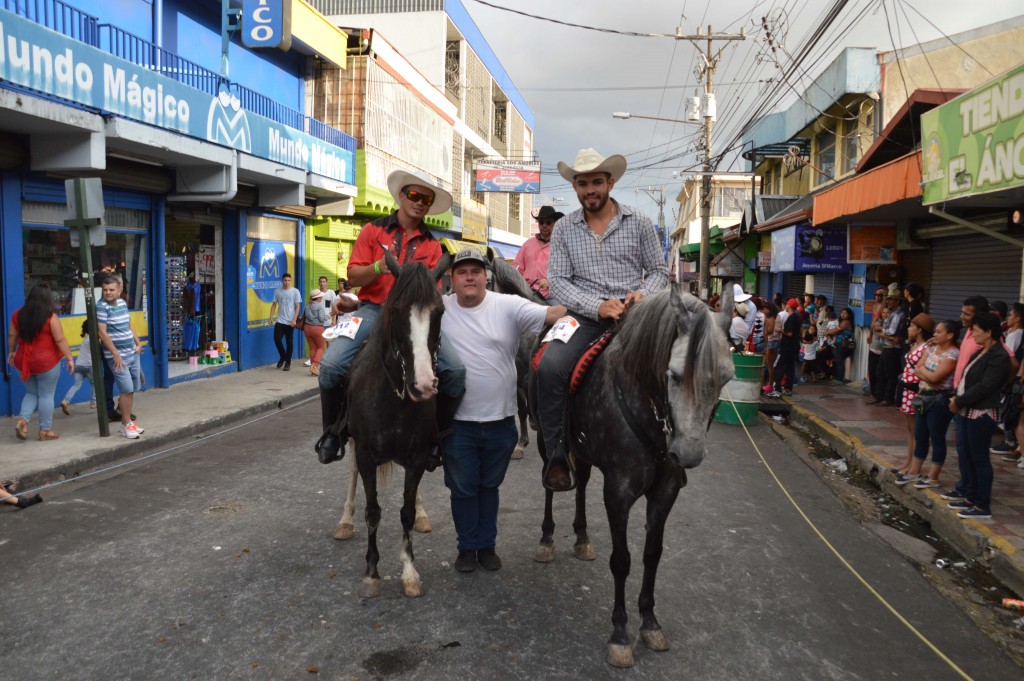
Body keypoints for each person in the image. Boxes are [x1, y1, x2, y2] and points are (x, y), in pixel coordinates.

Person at [538, 148, 668, 491]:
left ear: (611, 182)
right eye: (583, 183)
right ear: (575, 187)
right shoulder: (564, 228)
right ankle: (556, 456)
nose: (590, 189)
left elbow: (659, 272)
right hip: (583, 318)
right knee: (548, 367)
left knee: (677, 365)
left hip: (636, 318)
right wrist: (597, 306)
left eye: (597, 181)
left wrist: (643, 294)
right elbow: (560, 282)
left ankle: (674, 451)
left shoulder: (639, 221)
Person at [316, 169, 466, 467]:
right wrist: (377, 268)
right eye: (413, 195)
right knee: (331, 367)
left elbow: (433, 294)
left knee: (455, 371)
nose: (419, 202)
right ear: (400, 196)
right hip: (374, 310)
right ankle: (333, 433)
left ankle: (437, 435)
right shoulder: (373, 231)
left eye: (426, 198)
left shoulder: (433, 246)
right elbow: (353, 275)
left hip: (414, 316)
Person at [440, 249, 566, 572]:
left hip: (500, 422)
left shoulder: (507, 306)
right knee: (463, 488)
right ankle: (467, 547)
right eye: (463, 272)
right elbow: (401, 310)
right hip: (457, 424)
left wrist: (599, 306)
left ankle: (487, 545)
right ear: (452, 278)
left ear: (487, 276)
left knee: (488, 487)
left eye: (476, 271)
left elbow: (552, 314)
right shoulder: (438, 309)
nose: (470, 277)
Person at [945, 313, 1012, 520]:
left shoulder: (999, 357)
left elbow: (986, 386)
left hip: (981, 413)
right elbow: (966, 379)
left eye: (976, 331)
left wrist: (959, 401)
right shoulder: (981, 353)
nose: (972, 335)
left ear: (989, 332)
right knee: (966, 454)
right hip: (966, 411)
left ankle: (982, 505)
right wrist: (957, 398)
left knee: (979, 458)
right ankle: (970, 496)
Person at [7, 284, 75, 440]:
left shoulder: (18, 315)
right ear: (47, 299)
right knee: (46, 395)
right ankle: (45, 430)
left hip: (23, 361)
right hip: (46, 363)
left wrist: (11, 351)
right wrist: (69, 358)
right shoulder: (51, 317)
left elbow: (12, 335)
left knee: (32, 393)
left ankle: (23, 420)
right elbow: (59, 339)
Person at [904, 319, 961, 489]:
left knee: (937, 437)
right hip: (924, 395)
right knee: (920, 434)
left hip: (939, 400)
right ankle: (914, 471)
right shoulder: (931, 348)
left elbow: (936, 377)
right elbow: (918, 368)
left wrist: (926, 374)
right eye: (935, 331)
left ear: (950, 335)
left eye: (938, 332)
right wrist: (928, 375)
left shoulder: (953, 355)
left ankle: (933, 476)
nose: (934, 334)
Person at [96, 275, 145, 439]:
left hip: (132, 353)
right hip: (118, 358)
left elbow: (129, 324)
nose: (108, 293)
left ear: (119, 289)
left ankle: (127, 424)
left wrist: (138, 344)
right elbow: (102, 332)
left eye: (111, 290)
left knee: (132, 390)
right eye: (105, 290)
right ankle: (125, 424)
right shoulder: (102, 307)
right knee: (126, 390)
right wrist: (115, 354)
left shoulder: (123, 303)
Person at [893, 313, 934, 484]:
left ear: (919, 329)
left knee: (917, 431)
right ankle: (908, 461)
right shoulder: (914, 345)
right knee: (910, 430)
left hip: (916, 392)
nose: (908, 328)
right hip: (906, 390)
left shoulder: (926, 348)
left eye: (911, 326)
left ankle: (914, 465)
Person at [994, 302, 1024, 463]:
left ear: (1018, 318)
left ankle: (1012, 444)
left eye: (1011, 315)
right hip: (1014, 380)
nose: (1008, 318)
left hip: (1012, 381)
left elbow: (1009, 359)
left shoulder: (1015, 335)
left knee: (1009, 414)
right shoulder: (1014, 333)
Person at [514, 205, 563, 299]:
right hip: (526, 293)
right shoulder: (528, 244)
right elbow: (517, 269)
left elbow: (567, 274)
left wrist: (550, 282)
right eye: (541, 222)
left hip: (550, 296)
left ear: (555, 223)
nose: (544, 225)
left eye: (548, 222)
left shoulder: (561, 246)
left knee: (562, 312)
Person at [870, 288, 906, 406]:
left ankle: (887, 398)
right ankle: (879, 396)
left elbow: (891, 331)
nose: (888, 302)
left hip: (892, 349)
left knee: (890, 374)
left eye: (891, 300)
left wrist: (882, 331)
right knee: (880, 372)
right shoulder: (893, 313)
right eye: (888, 299)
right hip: (886, 347)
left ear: (897, 301)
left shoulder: (898, 314)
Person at [60, 320, 96, 414]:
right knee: (94, 383)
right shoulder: (93, 338)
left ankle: (65, 401)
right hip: (89, 365)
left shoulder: (86, 338)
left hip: (78, 365)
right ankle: (93, 402)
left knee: (76, 385)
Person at [268, 273, 301, 371]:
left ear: (291, 281)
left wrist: (294, 319)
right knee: (277, 339)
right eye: (285, 280)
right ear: (282, 281)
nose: (287, 282)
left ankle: (287, 363)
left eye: (288, 280)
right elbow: (274, 305)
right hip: (280, 320)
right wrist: (270, 317)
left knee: (289, 342)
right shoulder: (278, 291)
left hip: (290, 321)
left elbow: (297, 306)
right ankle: (283, 356)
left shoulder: (295, 291)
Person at [770, 298, 801, 398]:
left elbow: (790, 333)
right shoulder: (797, 317)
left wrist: (780, 330)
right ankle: (788, 389)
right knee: (790, 368)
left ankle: (777, 389)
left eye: (787, 304)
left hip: (787, 347)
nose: (785, 306)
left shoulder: (792, 318)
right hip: (794, 347)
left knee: (779, 366)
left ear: (790, 306)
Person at [302, 290, 329, 376]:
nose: (321, 298)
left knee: (312, 348)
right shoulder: (320, 306)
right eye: (320, 297)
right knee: (321, 347)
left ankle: (313, 369)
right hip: (317, 328)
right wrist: (327, 317)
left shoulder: (307, 305)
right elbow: (321, 319)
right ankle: (314, 365)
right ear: (317, 298)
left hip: (307, 328)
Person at [829, 307, 855, 384]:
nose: (842, 314)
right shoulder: (841, 321)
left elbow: (838, 331)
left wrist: (828, 332)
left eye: (845, 313)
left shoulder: (846, 322)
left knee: (839, 361)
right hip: (839, 344)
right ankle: (837, 377)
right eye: (842, 313)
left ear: (849, 315)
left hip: (843, 345)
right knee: (837, 360)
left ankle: (839, 379)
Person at [761, 301, 780, 393]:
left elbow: (770, 330)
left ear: (769, 309)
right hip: (773, 342)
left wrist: (765, 329)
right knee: (768, 364)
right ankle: (768, 383)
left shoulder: (771, 318)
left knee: (769, 365)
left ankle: (769, 384)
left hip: (771, 342)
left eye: (765, 309)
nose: (764, 311)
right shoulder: (775, 316)